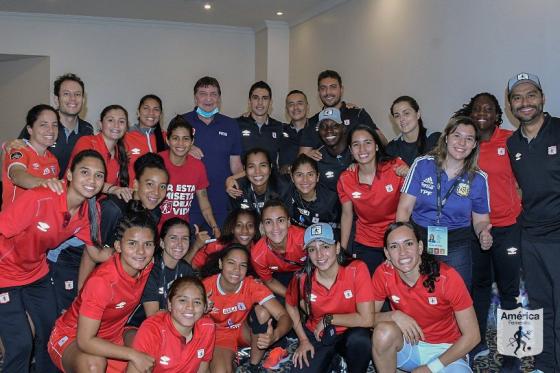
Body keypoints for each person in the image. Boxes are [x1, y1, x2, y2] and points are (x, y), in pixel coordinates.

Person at [0, 149, 107, 373]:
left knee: (50, 334)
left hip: (36, 273)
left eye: (99, 175)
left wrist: (130, 251)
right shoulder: (40, 198)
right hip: (4, 274)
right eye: (85, 172)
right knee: (20, 344)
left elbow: (95, 252)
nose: (92, 180)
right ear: (69, 174)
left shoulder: (91, 210)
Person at [454, 92, 522, 370]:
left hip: (507, 226)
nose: (483, 112)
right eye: (478, 108)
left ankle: (514, 352)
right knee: (476, 289)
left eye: (489, 109)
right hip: (472, 228)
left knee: (510, 291)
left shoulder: (510, 139)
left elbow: (523, 179)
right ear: (470, 112)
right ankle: (477, 342)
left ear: (498, 114)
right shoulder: (463, 143)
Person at [48, 212, 157, 373]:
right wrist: (133, 355)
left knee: (150, 349)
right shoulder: (102, 283)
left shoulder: (147, 265)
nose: (141, 252)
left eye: (148, 244)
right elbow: (85, 341)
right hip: (73, 338)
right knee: (93, 365)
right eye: (132, 244)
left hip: (114, 336)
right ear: (118, 246)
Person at [396, 116, 492, 288]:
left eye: (469, 139)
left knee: (457, 294)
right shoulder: (422, 165)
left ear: (475, 144)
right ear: (446, 137)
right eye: (457, 136)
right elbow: (404, 208)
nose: (462, 143)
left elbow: (481, 220)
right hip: (419, 238)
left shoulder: (478, 179)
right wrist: (403, 243)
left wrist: (483, 232)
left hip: (457, 242)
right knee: (419, 292)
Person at [506, 72, 560, 372]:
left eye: (530, 95)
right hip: (532, 235)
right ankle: (545, 364)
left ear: (542, 98)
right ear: (510, 104)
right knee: (540, 306)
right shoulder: (513, 143)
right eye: (517, 97)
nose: (525, 102)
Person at [372, 222, 480, 372]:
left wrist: (430, 368)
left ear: (420, 247)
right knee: (383, 332)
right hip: (409, 346)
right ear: (387, 253)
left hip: (445, 351)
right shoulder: (383, 274)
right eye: (394, 246)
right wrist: (394, 315)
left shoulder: (447, 277)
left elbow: (473, 336)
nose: (402, 252)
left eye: (408, 243)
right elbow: (366, 318)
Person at [285, 223, 374, 372]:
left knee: (360, 340)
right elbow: (290, 304)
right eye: (312, 249)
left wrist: (329, 319)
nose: (319, 255)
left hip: (349, 333)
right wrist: (303, 339)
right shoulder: (302, 278)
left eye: (325, 246)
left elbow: (367, 319)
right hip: (317, 335)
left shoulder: (356, 269)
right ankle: (333, 361)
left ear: (337, 247)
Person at [201, 244, 293, 373]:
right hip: (218, 335)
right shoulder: (205, 287)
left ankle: (254, 365)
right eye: (231, 263)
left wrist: (275, 336)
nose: (236, 270)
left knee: (262, 311)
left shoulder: (252, 285)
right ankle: (232, 358)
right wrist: (200, 309)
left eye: (242, 265)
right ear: (221, 264)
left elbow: (284, 317)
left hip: (242, 330)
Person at [338, 124, 406, 275]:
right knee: (370, 290)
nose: (362, 150)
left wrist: (410, 176)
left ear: (376, 146)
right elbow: (347, 215)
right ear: (350, 150)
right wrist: (342, 250)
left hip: (396, 238)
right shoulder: (346, 178)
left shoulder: (396, 168)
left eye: (367, 143)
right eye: (356, 144)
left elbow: (413, 203)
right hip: (366, 241)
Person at [181, 76, 243, 229]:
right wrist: (184, 148)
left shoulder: (231, 125)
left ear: (219, 98)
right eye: (203, 93)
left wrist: (239, 186)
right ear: (195, 98)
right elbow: (169, 160)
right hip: (188, 203)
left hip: (222, 201)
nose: (208, 98)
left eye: (213, 94)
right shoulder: (181, 122)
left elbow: (236, 167)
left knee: (220, 248)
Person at [128, 276, 215, 373]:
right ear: (169, 304)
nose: (190, 307)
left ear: (204, 307)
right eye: (182, 300)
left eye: (197, 302)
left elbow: (203, 368)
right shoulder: (153, 329)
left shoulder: (207, 327)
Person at [299, 69, 387, 160]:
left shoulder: (357, 114)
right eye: (323, 88)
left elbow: (383, 143)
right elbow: (301, 159)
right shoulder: (312, 122)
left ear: (341, 89)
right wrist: (307, 156)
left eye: (333, 87)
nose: (328, 92)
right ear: (318, 92)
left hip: (356, 173)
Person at [128, 217, 195, 328]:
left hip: (173, 324)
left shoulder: (186, 270)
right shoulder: (150, 269)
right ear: (162, 243)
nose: (180, 244)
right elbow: (153, 317)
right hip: (140, 326)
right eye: (173, 238)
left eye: (185, 239)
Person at [159, 115, 220, 236]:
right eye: (175, 138)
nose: (180, 143)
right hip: (156, 230)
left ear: (192, 142)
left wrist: (214, 226)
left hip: (182, 233)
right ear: (167, 140)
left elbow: (204, 201)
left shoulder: (198, 167)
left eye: (186, 139)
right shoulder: (156, 162)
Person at [99, 152, 169, 248]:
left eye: (162, 186)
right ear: (136, 184)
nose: (156, 192)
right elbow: (94, 251)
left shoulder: (155, 212)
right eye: (150, 184)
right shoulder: (113, 209)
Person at [2, 104, 61, 210]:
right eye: (44, 125)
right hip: (15, 222)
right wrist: (44, 183)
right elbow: (17, 175)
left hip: (40, 222)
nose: (51, 130)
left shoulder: (53, 159)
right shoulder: (18, 149)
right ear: (30, 129)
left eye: (55, 125)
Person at [70, 104, 131, 200]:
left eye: (121, 121)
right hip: (77, 201)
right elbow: (84, 179)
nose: (116, 125)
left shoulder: (121, 152)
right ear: (100, 124)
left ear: (127, 127)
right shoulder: (86, 142)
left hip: (102, 204)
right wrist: (112, 189)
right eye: (110, 120)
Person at [251, 199, 306, 297]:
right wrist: (292, 298)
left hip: (306, 271)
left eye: (280, 220)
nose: (275, 227)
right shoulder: (257, 255)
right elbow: (270, 281)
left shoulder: (304, 240)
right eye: (268, 222)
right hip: (279, 277)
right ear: (262, 226)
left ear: (288, 222)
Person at [283, 154, 341, 234]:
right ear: (292, 178)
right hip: (296, 236)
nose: (305, 180)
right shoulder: (287, 191)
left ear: (317, 177)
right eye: (299, 175)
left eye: (310, 174)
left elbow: (342, 225)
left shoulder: (331, 200)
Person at [191, 208, 260, 270]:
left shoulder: (260, 250)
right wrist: (196, 246)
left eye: (250, 225)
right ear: (232, 228)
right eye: (239, 225)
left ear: (255, 229)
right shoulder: (215, 246)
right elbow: (190, 266)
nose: (245, 231)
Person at [228, 148, 290, 214]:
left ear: (270, 168)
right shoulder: (237, 189)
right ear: (245, 169)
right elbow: (234, 221)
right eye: (251, 166)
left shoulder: (283, 187)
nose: (257, 171)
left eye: (263, 165)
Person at [237, 81, 284, 168]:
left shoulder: (279, 127)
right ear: (249, 101)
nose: (260, 102)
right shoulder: (236, 125)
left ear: (270, 102)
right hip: (244, 179)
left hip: (271, 180)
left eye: (265, 98)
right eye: (255, 98)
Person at [387, 95, 440, 166]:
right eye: (397, 116)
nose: (402, 119)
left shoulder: (435, 139)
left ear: (418, 114)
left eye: (406, 113)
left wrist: (410, 173)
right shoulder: (391, 148)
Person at [125, 94, 168, 180]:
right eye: (146, 108)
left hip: (158, 191)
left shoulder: (167, 138)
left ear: (160, 114)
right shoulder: (125, 136)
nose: (151, 113)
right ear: (138, 112)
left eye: (156, 109)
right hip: (132, 191)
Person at [314, 108, 353, 192]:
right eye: (323, 127)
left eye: (335, 125)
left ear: (343, 128)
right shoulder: (316, 158)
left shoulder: (357, 153)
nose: (329, 130)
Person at [279, 90, 309, 174]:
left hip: (310, 184)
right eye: (291, 104)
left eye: (300, 103)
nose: (295, 107)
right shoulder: (279, 129)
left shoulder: (318, 130)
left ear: (307, 106)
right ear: (286, 109)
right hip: (284, 184)